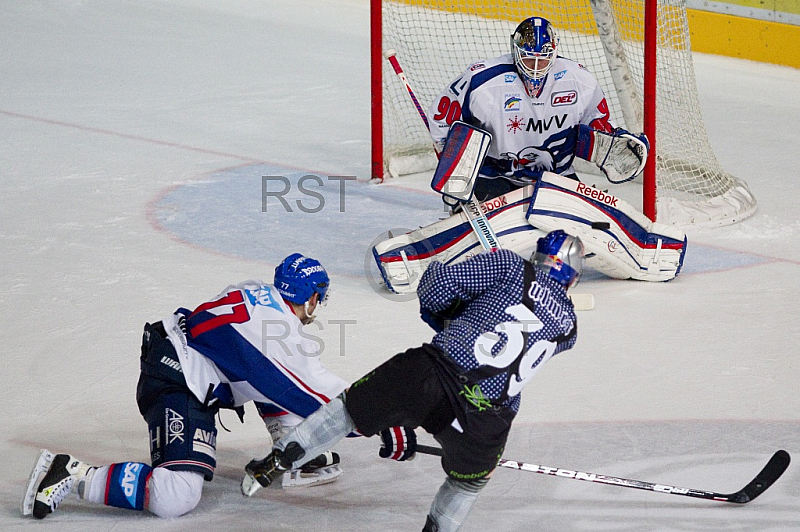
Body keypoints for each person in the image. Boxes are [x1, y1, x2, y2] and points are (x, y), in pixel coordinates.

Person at [242, 230, 584, 532]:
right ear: (572, 276)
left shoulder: (510, 265)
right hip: (487, 416)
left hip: (434, 373)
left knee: (349, 407)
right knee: (470, 483)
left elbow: (438, 289)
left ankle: (280, 459)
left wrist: (444, 303)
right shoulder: (570, 329)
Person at [23, 253, 350, 520]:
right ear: (310, 298)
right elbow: (320, 396)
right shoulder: (278, 334)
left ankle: (291, 449)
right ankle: (75, 474)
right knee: (174, 497)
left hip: (181, 358)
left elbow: (268, 371)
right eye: (319, 298)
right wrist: (379, 415)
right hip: (177, 381)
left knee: (275, 381)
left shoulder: (256, 292)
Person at [428, 16, 646, 203]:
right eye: (528, 58)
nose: (534, 67)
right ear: (515, 51)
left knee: (583, 230)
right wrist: (454, 170)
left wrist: (615, 139)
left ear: (554, 54)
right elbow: (441, 119)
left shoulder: (579, 80)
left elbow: (598, 122)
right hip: (494, 176)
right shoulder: (482, 81)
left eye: (541, 60)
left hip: (556, 176)